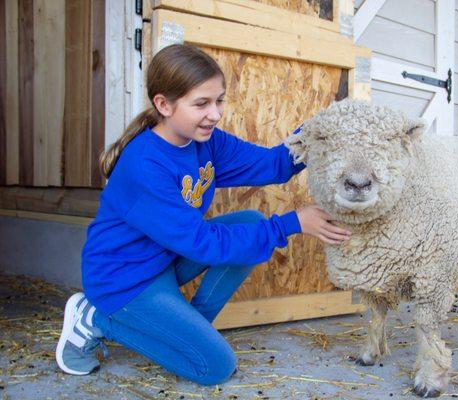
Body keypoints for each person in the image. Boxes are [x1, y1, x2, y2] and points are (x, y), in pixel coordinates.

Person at [55, 44, 351, 385]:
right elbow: (202, 244)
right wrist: (293, 223)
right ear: (163, 105)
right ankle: (93, 317)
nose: (215, 114)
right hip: (124, 280)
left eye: (219, 100)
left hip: (164, 260)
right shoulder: (145, 166)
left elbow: (274, 164)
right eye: (201, 104)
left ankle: (187, 330)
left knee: (250, 225)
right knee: (214, 368)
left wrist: (324, 129)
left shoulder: (207, 141)